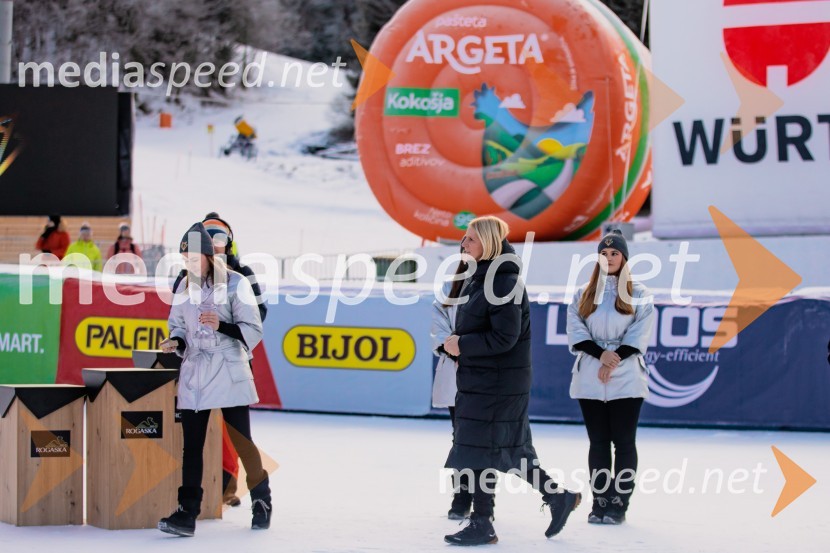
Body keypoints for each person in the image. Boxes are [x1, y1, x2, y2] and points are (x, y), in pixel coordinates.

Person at [442, 216, 581, 546]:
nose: (463, 244)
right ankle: (558, 498)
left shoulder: (503, 282)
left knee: (480, 449)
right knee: (505, 450)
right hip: (485, 380)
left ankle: (482, 522)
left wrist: (462, 345)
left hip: (498, 383)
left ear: (488, 243)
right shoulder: (483, 277)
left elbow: (505, 336)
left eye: (470, 239)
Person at [158, 222, 271, 537]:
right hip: (196, 375)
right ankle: (187, 513)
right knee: (191, 446)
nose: (189, 265)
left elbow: (253, 328)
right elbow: (177, 324)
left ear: (208, 255)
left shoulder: (235, 283)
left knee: (242, 443)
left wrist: (221, 325)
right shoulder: (184, 286)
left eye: (194, 258)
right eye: (185, 260)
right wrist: (176, 342)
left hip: (229, 370)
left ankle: (262, 500)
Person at [566, 229, 655, 525]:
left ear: (624, 257)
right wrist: (600, 355)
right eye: (603, 254)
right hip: (591, 377)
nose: (608, 258)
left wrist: (613, 358)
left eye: (614, 253)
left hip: (626, 378)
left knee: (624, 442)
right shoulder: (583, 293)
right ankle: (600, 501)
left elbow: (639, 331)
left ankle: (619, 503)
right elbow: (577, 331)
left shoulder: (639, 293)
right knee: (599, 442)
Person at [431, 247, 472, 519]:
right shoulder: (448, 288)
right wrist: (453, 350)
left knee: (480, 439)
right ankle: (461, 496)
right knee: (461, 437)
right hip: (456, 372)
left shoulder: (497, 288)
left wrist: (470, 350)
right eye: (464, 248)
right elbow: (439, 326)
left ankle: (483, 499)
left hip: (483, 372)